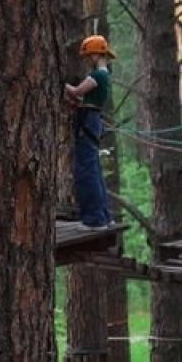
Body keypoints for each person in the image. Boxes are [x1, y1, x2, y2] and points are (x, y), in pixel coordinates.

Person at [63, 34, 114, 228]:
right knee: (93, 169)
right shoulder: (104, 74)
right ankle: (103, 216)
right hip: (91, 119)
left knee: (86, 170)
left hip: (88, 122)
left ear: (95, 55)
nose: (86, 61)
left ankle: (93, 219)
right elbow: (84, 99)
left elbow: (76, 91)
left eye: (87, 57)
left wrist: (60, 83)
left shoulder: (98, 75)